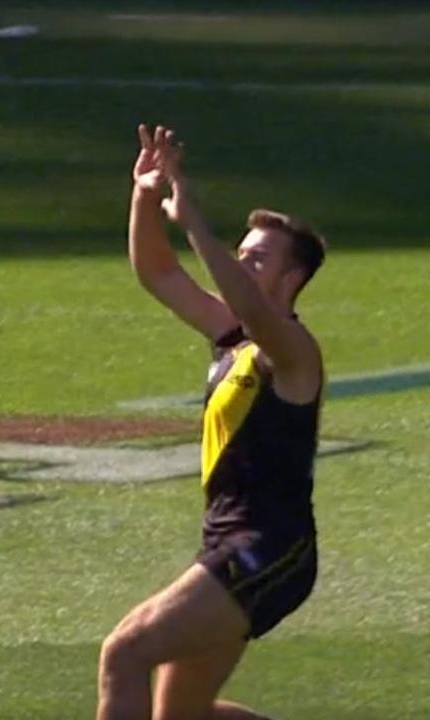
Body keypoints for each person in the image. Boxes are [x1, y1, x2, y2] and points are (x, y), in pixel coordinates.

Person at [97, 125, 327, 720]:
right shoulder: (233, 337)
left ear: (291, 280)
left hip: (269, 546)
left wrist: (195, 219)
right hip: (228, 536)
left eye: (256, 258)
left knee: (123, 653)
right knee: (180, 715)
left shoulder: (293, 351)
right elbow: (158, 273)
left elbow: (250, 306)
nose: (241, 263)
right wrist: (146, 195)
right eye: (240, 252)